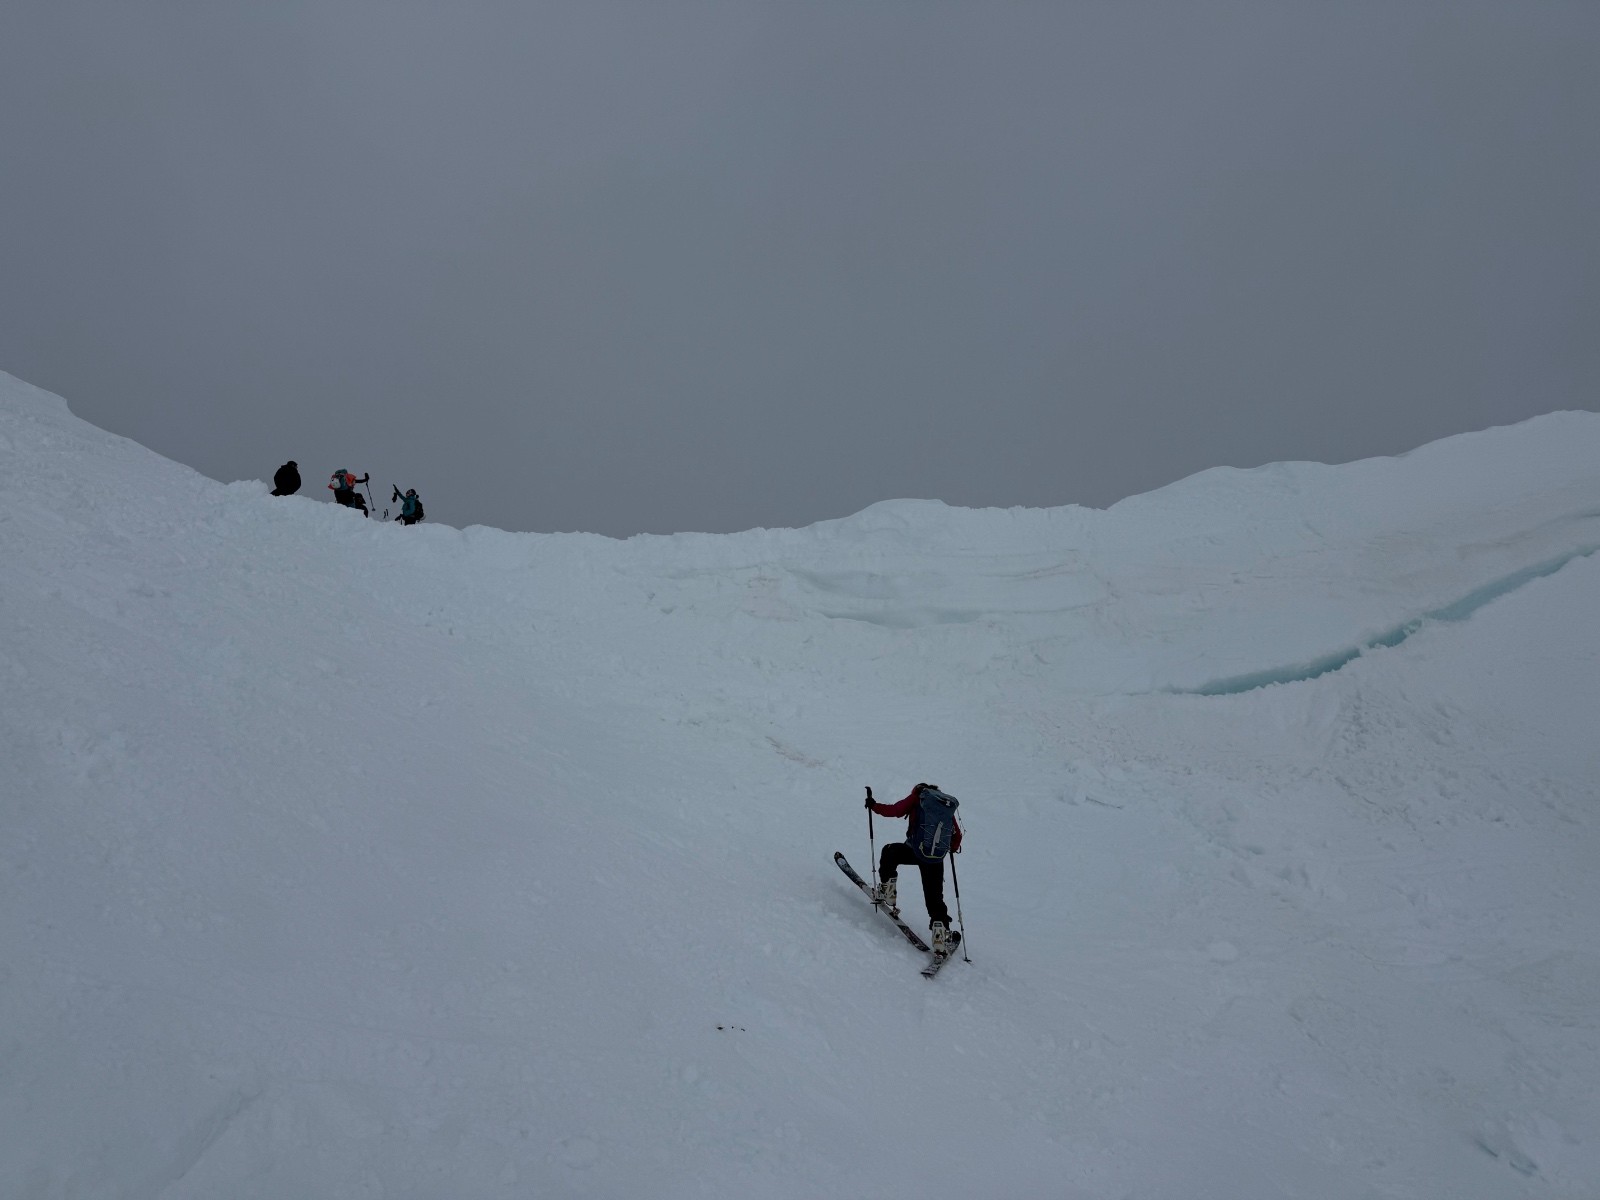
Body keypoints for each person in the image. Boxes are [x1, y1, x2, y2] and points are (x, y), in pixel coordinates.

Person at [865, 783, 963, 954]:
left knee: (890, 852)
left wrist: (873, 805)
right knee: (934, 899)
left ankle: (888, 891)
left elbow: (896, 810)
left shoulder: (919, 796)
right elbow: (956, 836)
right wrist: (951, 848)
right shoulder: (944, 807)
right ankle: (940, 938)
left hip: (915, 851)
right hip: (935, 859)